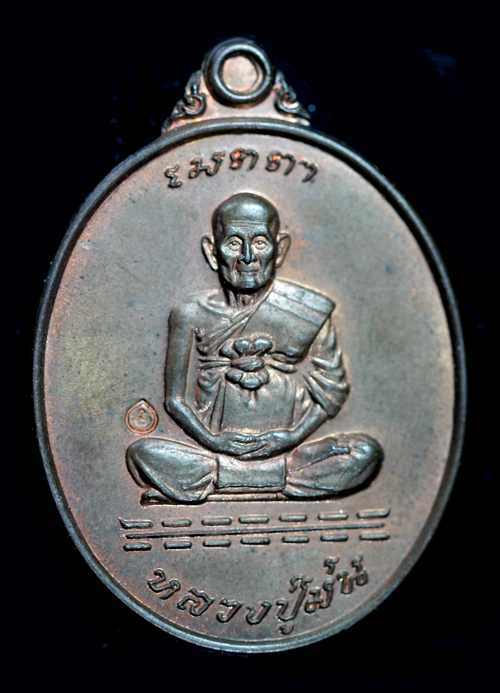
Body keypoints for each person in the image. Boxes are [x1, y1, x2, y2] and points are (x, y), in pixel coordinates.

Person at [127, 192, 382, 503]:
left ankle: (225, 482)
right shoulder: (189, 314)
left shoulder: (308, 309)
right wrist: (214, 441)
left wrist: (292, 436)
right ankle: (275, 481)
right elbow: (174, 400)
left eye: (260, 242)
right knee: (142, 453)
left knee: (365, 453)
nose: (247, 256)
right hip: (212, 450)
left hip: (288, 449)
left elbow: (332, 391)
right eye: (234, 243)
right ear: (212, 252)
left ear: (280, 249)